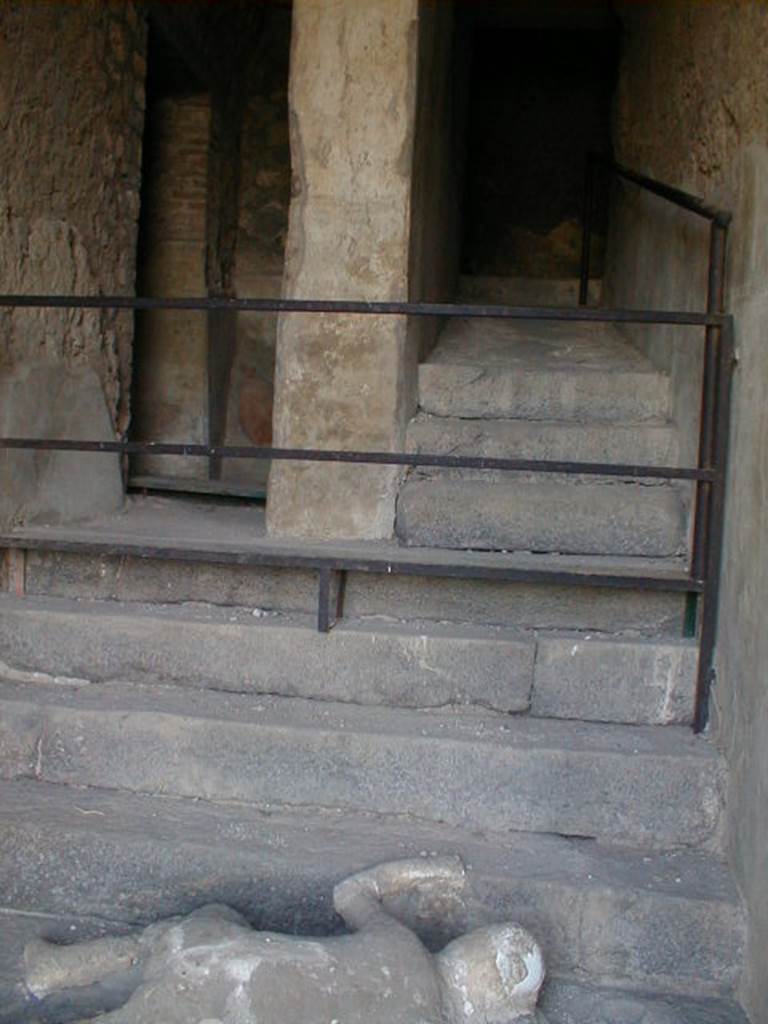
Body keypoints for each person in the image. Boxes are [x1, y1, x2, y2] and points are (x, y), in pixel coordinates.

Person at [25, 856, 545, 1024]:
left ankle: (56, 969)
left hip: (221, 954)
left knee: (194, 929)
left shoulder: (401, 944)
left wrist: (431, 868)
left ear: (467, 946)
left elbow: (351, 891)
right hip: (226, 1006)